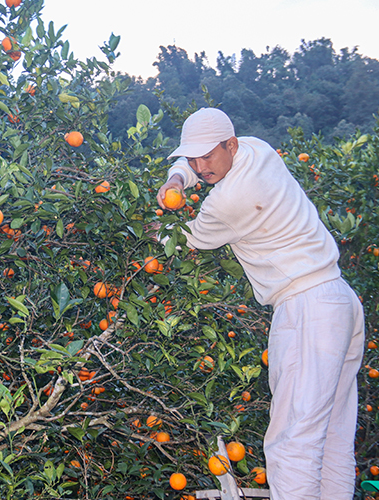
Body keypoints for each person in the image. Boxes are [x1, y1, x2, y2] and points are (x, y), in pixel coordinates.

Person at [156, 108, 364, 499]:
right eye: (192, 158)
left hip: (306, 308)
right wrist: (177, 178)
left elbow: (183, 239)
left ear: (230, 145)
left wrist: (147, 229)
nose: (200, 167)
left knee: (292, 443)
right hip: (339, 299)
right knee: (332, 436)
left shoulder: (229, 201)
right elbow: (195, 165)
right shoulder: (258, 150)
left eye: (207, 156)